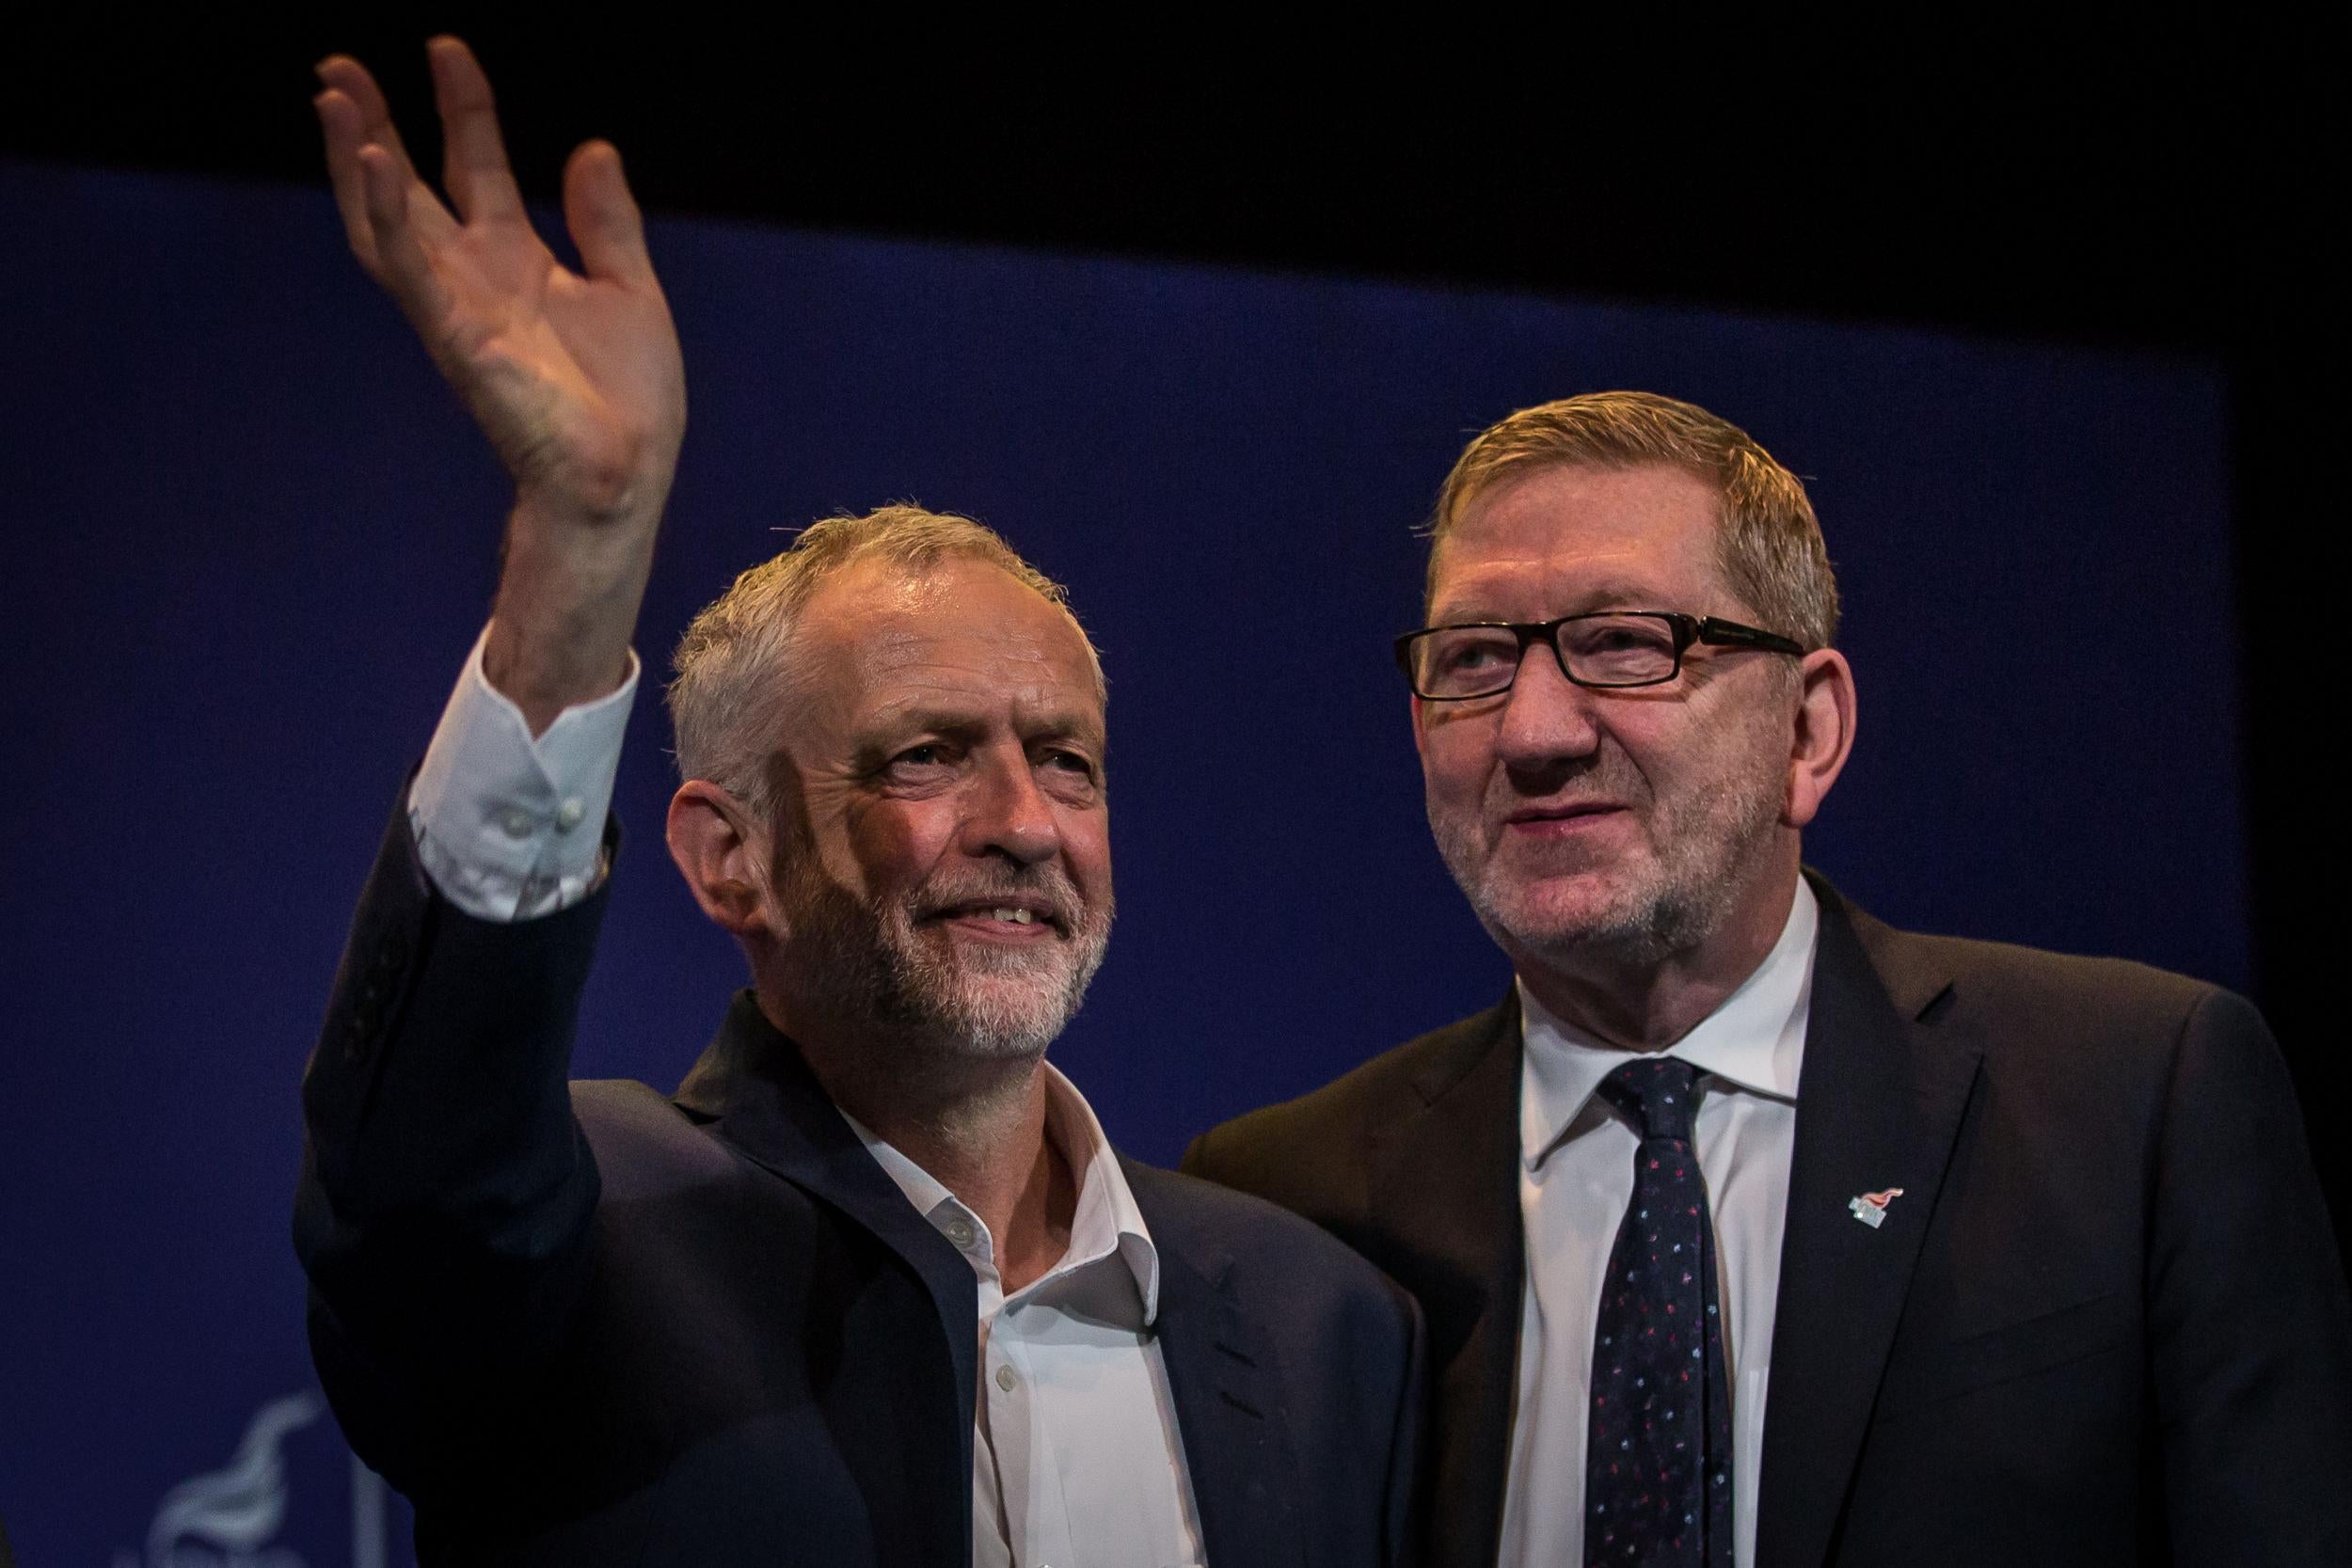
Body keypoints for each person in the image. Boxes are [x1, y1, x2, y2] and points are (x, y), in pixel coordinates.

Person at [292, 39, 1420, 1566]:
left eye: (1067, 758)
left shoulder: (1322, 1322)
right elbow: (419, 1173)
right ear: (728, 852)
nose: (1024, 818)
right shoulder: (595, 1238)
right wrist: (586, 538)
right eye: (927, 754)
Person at [1184, 391, 2352, 1568]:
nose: (1532, 731)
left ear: (1808, 732)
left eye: (1626, 642)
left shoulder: (2135, 1097)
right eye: (1477, 659)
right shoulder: (1289, 1201)